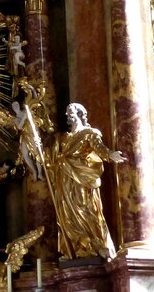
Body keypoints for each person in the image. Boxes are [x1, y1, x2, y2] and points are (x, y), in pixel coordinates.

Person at [47, 103, 124, 260]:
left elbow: (99, 148)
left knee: (85, 208)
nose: (69, 116)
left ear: (81, 114)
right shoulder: (63, 138)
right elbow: (51, 158)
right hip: (64, 179)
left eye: (71, 113)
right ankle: (77, 247)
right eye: (67, 114)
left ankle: (94, 245)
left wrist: (110, 155)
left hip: (81, 178)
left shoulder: (89, 133)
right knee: (67, 214)